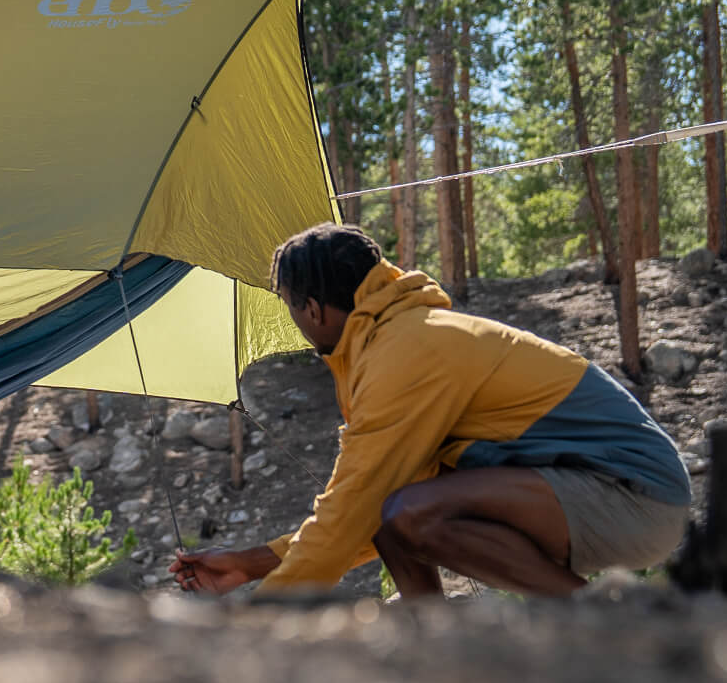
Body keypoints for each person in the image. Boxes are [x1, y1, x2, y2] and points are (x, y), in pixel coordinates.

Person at [171, 223, 691, 599]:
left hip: (635, 496)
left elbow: (351, 511)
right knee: (392, 509)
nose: (296, 321)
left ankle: (596, 620)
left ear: (313, 308)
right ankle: (434, 648)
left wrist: (250, 629)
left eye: (289, 304)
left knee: (400, 509)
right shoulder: (392, 345)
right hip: (599, 493)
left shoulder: (406, 353)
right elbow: (358, 515)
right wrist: (252, 563)